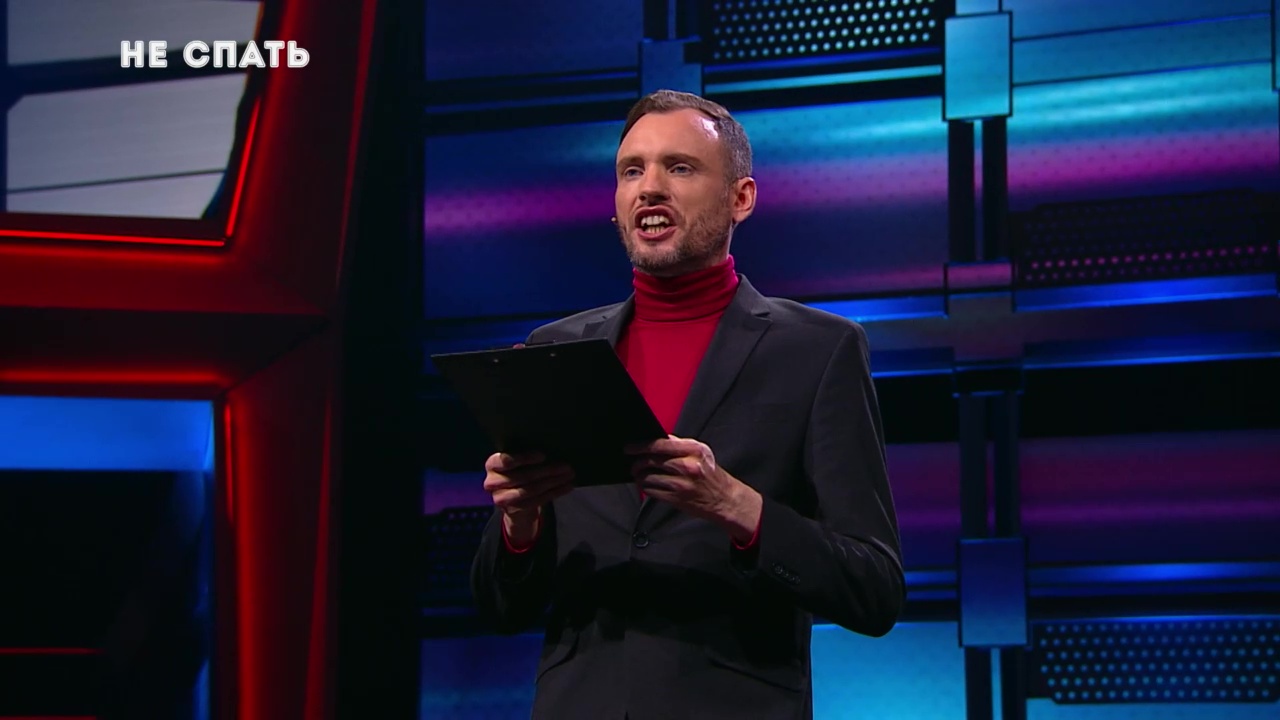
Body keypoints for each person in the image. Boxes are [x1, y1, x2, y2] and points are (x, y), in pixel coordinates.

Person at [470, 89, 904, 720]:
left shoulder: (818, 351)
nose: (650, 188)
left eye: (679, 167)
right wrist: (520, 524)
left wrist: (738, 507)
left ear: (740, 199)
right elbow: (501, 607)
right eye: (632, 171)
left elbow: (874, 589)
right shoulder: (555, 351)